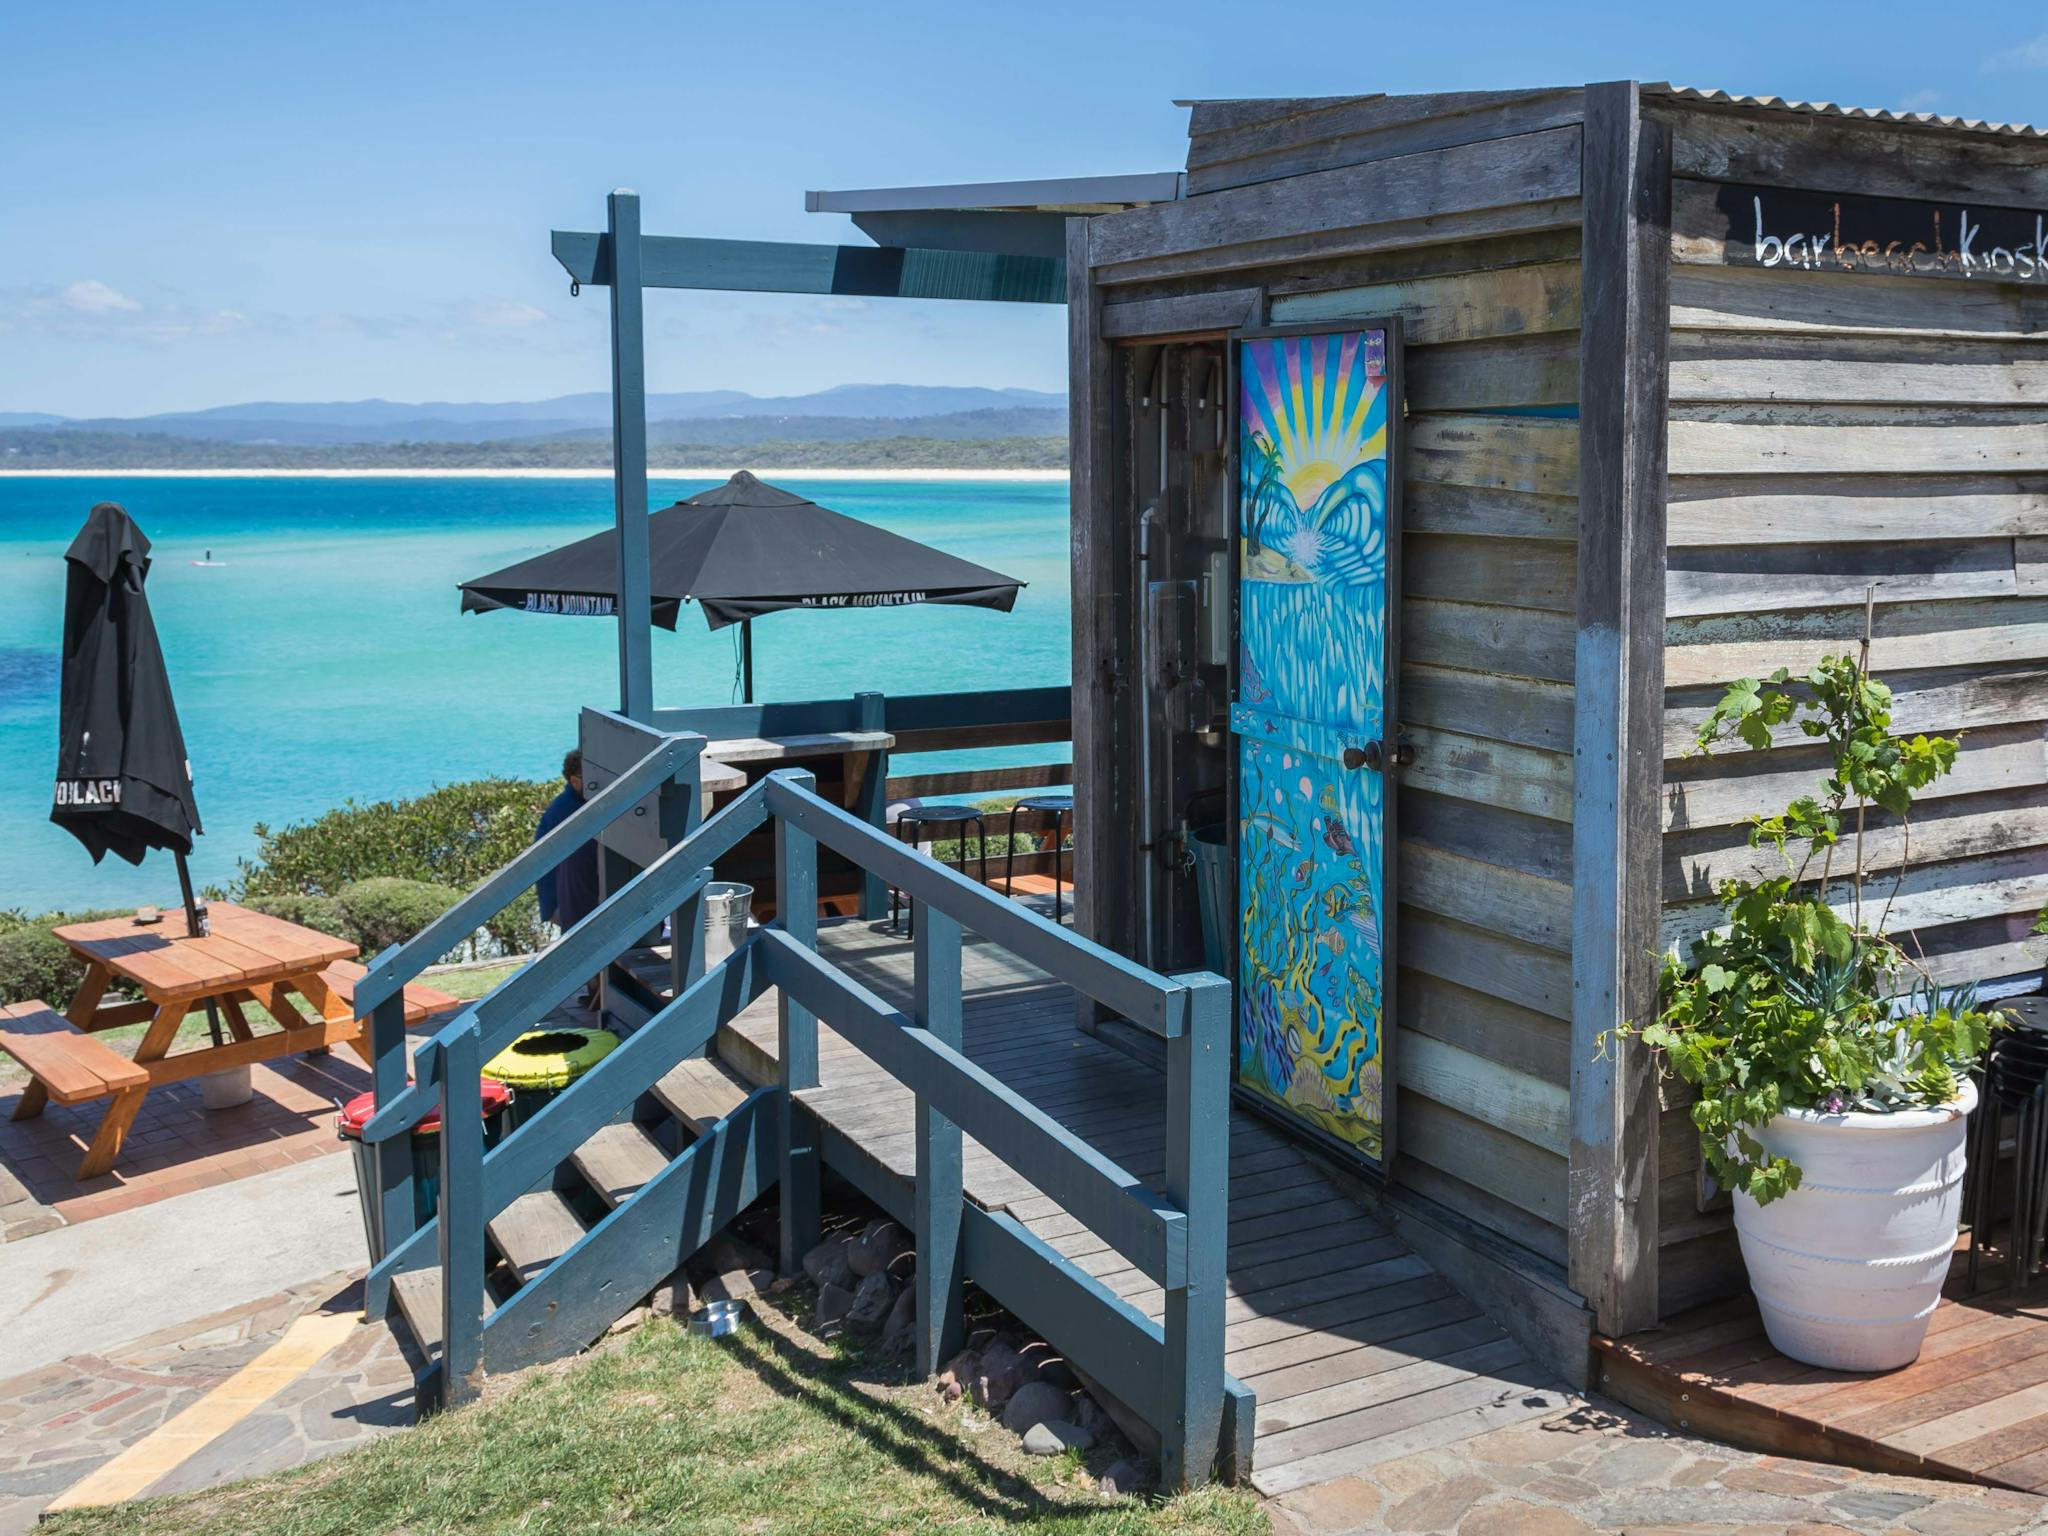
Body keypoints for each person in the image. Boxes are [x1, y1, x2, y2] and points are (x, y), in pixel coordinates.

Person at [534, 749, 602, 1005]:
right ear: (575, 780)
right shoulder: (567, 810)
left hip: (571, 892)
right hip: (564, 893)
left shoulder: (575, 805)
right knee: (585, 941)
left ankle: (597, 992)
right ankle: (597, 992)